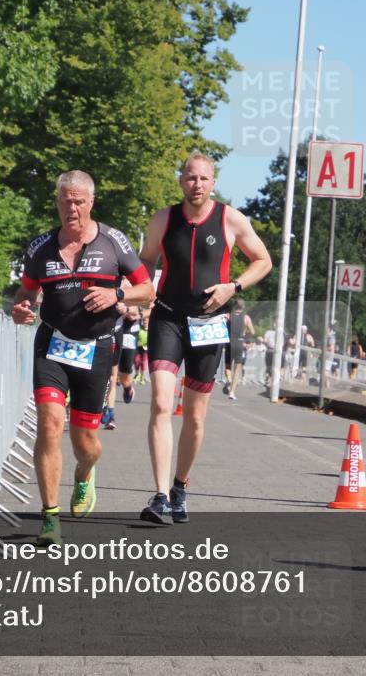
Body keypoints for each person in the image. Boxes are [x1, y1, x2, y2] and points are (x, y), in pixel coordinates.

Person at [11, 170, 154, 547]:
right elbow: (24, 294)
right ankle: (49, 517)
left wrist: (117, 298)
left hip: (96, 349)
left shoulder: (114, 242)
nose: (71, 208)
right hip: (53, 344)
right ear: (57, 202)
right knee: (49, 423)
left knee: (85, 441)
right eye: (65, 201)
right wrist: (21, 309)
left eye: (78, 201)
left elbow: (148, 289)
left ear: (91, 202)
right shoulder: (40, 248)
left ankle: (85, 473)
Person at [138, 153, 272, 523]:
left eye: (204, 178)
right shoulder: (164, 219)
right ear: (181, 180)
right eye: (190, 177)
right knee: (162, 403)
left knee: (195, 417)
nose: (196, 184)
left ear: (213, 183)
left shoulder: (230, 218)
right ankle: (161, 494)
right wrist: (140, 294)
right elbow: (146, 260)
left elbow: (263, 260)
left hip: (209, 323)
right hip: (167, 317)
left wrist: (234, 285)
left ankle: (180, 486)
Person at [102, 299, 141, 429]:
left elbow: (141, 310)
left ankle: (128, 388)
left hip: (130, 333)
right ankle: (109, 413)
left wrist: (127, 310)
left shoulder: (130, 284)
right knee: (111, 376)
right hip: (109, 331)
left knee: (124, 374)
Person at [222, 300, 254, 400]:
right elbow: (252, 332)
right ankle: (232, 392)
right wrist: (245, 331)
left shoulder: (228, 316)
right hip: (240, 343)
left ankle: (229, 380)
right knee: (237, 368)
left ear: (234, 306)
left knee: (228, 366)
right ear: (243, 307)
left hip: (229, 342)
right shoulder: (246, 318)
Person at [134, 307, 150, 384]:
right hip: (138, 348)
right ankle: (137, 374)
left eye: (146, 321)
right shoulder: (139, 329)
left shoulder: (150, 330)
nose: (145, 322)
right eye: (144, 321)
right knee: (137, 361)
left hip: (146, 349)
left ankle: (142, 377)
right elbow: (136, 336)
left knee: (144, 362)